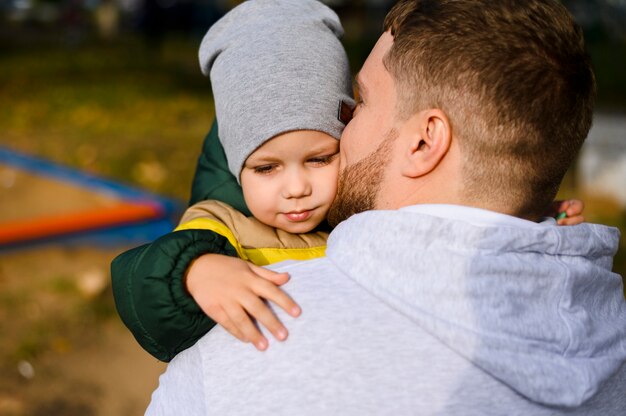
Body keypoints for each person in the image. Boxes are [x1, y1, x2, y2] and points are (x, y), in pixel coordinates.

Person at [145, 0, 626, 415]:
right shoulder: (610, 328)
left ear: (423, 141)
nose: (343, 128)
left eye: (360, 102)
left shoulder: (252, 338)